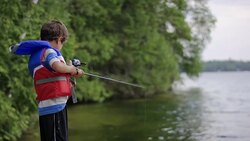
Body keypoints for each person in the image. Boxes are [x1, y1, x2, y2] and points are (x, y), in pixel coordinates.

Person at [11, 20, 84, 141]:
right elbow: (57, 66)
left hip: (47, 108)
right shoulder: (49, 52)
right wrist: (74, 70)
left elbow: (52, 74)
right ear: (59, 38)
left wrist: (69, 69)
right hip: (56, 107)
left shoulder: (38, 54)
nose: (61, 46)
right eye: (63, 42)